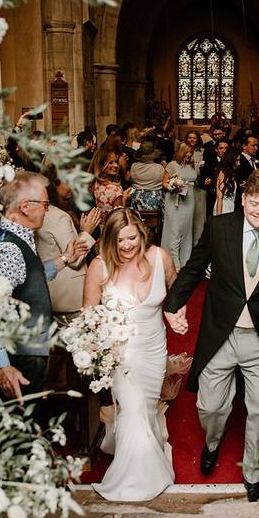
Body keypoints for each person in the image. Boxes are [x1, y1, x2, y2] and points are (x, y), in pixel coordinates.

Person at [164, 170, 259, 503]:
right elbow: (194, 268)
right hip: (221, 335)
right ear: (243, 200)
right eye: (255, 203)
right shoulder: (220, 228)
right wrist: (174, 303)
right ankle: (213, 443)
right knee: (210, 407)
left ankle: (253, 474)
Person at [82, 209, 178, 501]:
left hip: (153, 349)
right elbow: (89, 313)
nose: (126, 245)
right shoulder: (99, 267)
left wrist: (177, 314)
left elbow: (177, 293)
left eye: (131, 238)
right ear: (109, 239)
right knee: (133, 408)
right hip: (120, 354)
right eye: (119, 240)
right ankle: (135, 480)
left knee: (145, 409)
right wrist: (95, 345)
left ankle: (151, 459)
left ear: (141, 233)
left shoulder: (160, 258)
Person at [0, 172, 78, 415]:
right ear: (26, 206)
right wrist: (3, 366)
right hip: (19, 360)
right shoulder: (7, 249)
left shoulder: (19, 239)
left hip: (29, 353)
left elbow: (30, 276)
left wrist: (66, 259)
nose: (48, 210)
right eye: (45, 204)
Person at [36, 203, 99, 314]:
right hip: (69, 293)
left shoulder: (41, 213)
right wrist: (87, 232)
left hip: (51, 286)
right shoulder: (59, 217)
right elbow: (74, 260)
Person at [162, 142, 197, 271]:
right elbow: (164, 182)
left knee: (187, 231)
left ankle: (185, 261)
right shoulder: (172, 165)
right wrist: (172, 187)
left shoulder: (192, 165)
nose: (189, 155)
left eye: (191, 152)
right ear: (181, 152)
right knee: (175, 230)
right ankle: (174, 262)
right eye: (187, 152)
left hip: (189, 199)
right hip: (174, 200)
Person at [89, 144, 133, 223]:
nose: (116, 165)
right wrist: (124, 198)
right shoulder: (114, 189)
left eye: (116, 161)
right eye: (111, 162)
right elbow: (119, 217)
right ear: (101, 164)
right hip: (112, 229)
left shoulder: (94, 184)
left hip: (100, 227)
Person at [184, 130, 208, 245]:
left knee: (199, 216)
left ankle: (197, 242)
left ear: (198, 139)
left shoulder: (203, 151)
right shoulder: (182, 151)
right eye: (190, 137)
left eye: (194, 138)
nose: (192, 140)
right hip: (186, 187)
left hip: (199, 187)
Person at [128, 141, 166, 212]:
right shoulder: (159, 168)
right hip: (156, 199)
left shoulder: (134, 166)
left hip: (138, 199)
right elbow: (164, 182)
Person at [213, 147, 238, 216]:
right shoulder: (222, 173)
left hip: (230, 207)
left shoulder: (232, 174)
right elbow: (219, 197)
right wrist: (218, 217)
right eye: (237, 161)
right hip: (222, 208)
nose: (238, 163)